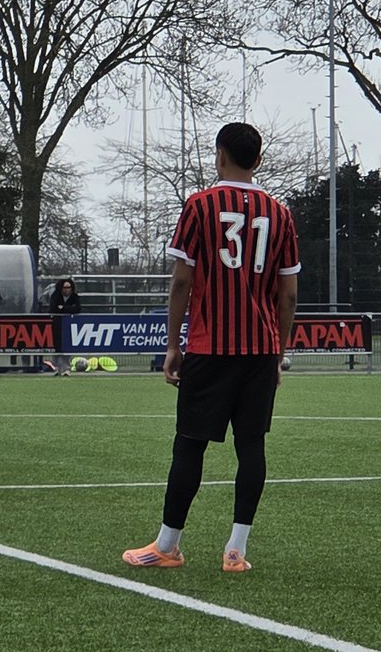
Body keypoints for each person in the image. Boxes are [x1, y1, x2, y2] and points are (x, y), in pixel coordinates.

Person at [123, 123, 299, 574]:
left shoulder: (199, 206)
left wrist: (172, 345)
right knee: (252, 445)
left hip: (209, 345)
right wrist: (278, 351)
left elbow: (182, 279)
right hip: (259, 349)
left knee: (189, 446)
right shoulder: (279, 213)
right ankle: (235, 550)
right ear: (257, 160)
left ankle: (168, 545)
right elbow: (289, 293)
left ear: (219, 154)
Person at [49, 277, 82, 376]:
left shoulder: (75, 296)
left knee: (67, 347)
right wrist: (69, 309)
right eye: (65, 287)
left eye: (69, 287)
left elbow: (77, 308)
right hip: (56, 325)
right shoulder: (55, 296)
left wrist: (63, 308)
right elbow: (54, 308)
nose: (67, 289)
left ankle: (66, 369)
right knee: (56, 347)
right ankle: (56, 368)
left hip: (69, 326)